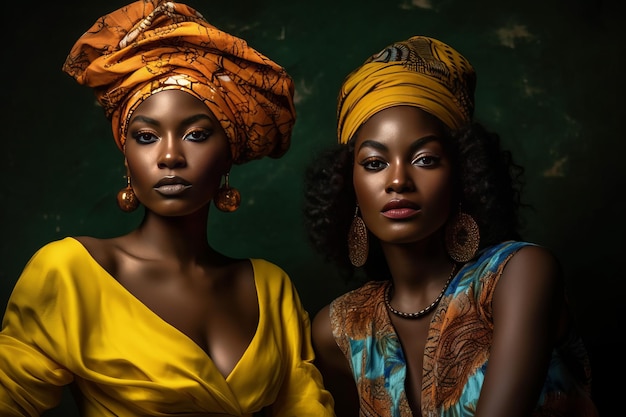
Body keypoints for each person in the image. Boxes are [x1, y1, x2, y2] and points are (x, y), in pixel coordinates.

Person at [0, 1, 335, 416]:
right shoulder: (70, 274)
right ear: (126, 155)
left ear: (228, 154)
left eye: (195, 134)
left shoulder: (270, 288)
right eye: (146, 137)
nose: (170, 156)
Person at [303, 35, 598, 417]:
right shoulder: (339, 331)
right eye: (374, 163)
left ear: (464, 175)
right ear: (348, 186)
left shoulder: (518, 276)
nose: (397, 181)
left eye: (425, 159)